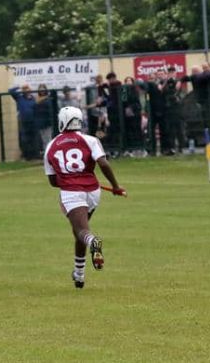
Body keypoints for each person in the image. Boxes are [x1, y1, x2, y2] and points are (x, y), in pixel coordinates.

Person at [44, 107, 126, 290]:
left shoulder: (51, 146)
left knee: (82, 231)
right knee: (79, 230)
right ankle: (79, 275)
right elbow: (103, 163)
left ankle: (94, 242)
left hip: (71, 192)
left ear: (62, 121)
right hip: (93, 192)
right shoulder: (91, 140)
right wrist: (114, 186)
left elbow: (52, 181)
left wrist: (69, 179)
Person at [9, 84, 39, 160]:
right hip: (23, 121)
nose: (26, 90)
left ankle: (35, 155)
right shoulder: (19, 98)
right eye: (25, 89)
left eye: (27, 89)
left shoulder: (33, 98)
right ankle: (27, 155)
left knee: (34, 138)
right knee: (25, 139)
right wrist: (19, 87)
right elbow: (10, 91)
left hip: (33, 121)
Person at [163, 66, 185, 155]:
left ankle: (181, 147)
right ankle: (171, 147)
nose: (171, 74)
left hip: (177, 108)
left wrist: (177, 82)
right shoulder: (166, 82)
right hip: (168, 108)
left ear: (175, 73)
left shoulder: (178, 81)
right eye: (170, 72)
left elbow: (178, 92)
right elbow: (162, 90)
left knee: (179, 128)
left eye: (173, 72)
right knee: (170, 129)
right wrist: (166, 80)